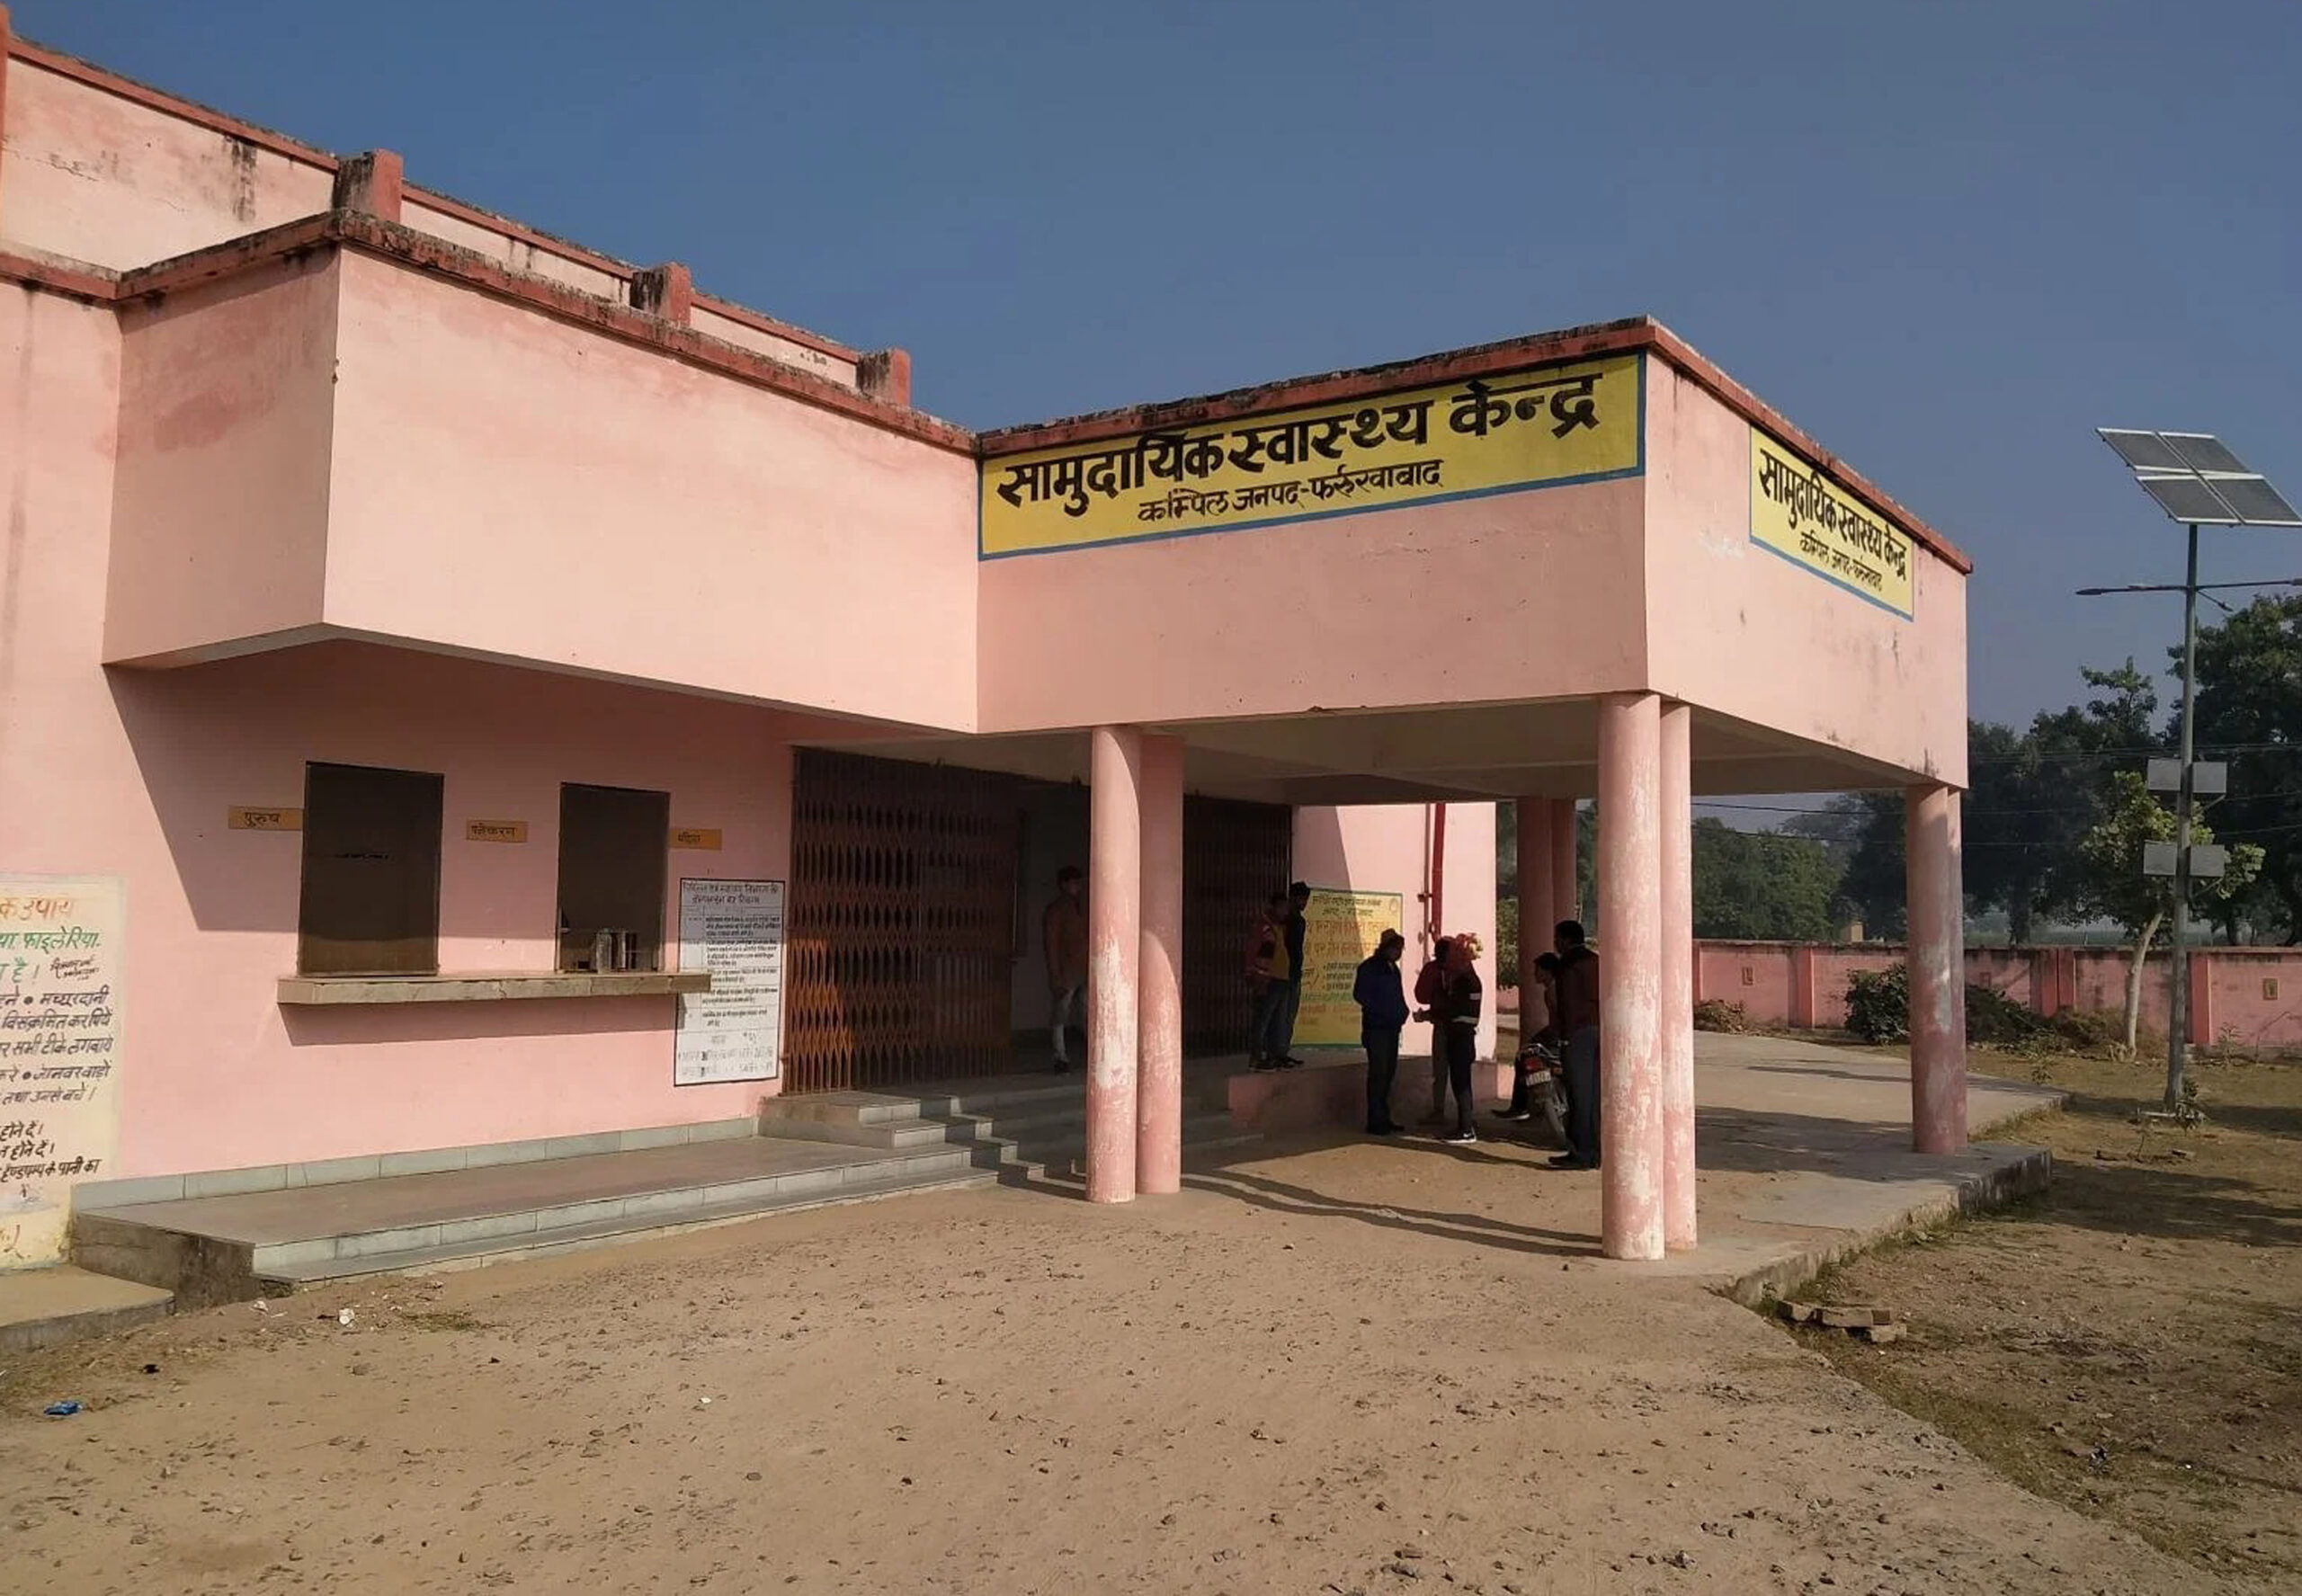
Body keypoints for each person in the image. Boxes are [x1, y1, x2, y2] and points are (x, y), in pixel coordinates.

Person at [1550, 920, 1602, 1168]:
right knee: (1592, 1095)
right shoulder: (1595, 961)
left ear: (1565, 939)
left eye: (1557, 938)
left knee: (1578, 1094)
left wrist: (1564, 1037)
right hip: (1597, 1029)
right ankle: (1592, 1149)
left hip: (1577, 1033)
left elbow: (1568, 1003)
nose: (1555, 943)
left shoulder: (1568, 964)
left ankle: (1582, 1151)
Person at [1352, 929, 1410, 1135]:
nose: (1398, 952)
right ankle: (1375, 1120)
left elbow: (1397, 995)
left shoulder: (1393, 969)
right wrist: (1382, 1011)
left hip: (1392, 1028)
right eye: (1395, 948)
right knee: (1378, 1074)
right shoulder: (1369, 968)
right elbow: (1360, 995)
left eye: (1400, 949)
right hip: (1376, 1029)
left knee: (1388, 1075)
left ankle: (1384, 1116)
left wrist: (1402, 1011)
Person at [1496, 951, 1564, 1124]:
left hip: (1557, 1035)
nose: (1534, 974)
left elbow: (1557, 1019)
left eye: (1538, 970)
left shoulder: (1554, 990)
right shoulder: (1555, 988)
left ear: (1547, 971)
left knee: (1523, 1056)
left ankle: (1520, 1106)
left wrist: (1549, 1036)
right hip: (1556, 1034)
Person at [1245, 894, 1299, 1072]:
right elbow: (1257, 954)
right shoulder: (1264, 927)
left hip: (1281, 979)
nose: (1285, 911)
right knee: (1263, 1020)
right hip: (1268, 980)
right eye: (1282, 907)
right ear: (1274, 907)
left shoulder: (1279, 927)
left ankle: (1273, 1056)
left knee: (1277, 1020)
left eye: (1286, 908)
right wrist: (1258, 978)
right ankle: (1256, 1058)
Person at [1042, 866, 1087, 1072]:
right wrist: (1055, 974)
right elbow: (1051, 944)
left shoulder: (1082, 907)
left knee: (1086, 1011)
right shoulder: (1057, 910)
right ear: (1064, 885)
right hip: (1067, 969)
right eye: (1074, 882)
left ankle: (1088, 1052)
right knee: (1062, 1012)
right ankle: (1060, 1055)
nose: (1078, 886)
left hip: (1083, 968)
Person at [1440, 936, 1483, 1143]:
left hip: (1461, 1036)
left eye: (1452, 955)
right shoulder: (1469, 979)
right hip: (1462, 1035)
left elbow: (1454, 1009)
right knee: (1461, 1082)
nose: (1448, 960)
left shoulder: (1464, 981)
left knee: (1461, 1083)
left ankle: (1466, 1129)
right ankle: (1465, 1124)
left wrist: (1431, 1015)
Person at [1411, 937, 1456, 1125]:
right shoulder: (1455, 969)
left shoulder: (1440, 969)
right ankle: (1455, 1113)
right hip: (1451, 1025)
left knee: (1443, 1071)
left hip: (1447, 1025)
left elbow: (1422, 995)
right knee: (1449, 1071)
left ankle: (1443, 1111)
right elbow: (1422, 995)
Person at [1270, 881, 1313, 1067]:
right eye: (1302, 899)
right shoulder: (1287, 921)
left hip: (1293, 972)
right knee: (1281, 1015)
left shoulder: (1297, 921)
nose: (1304, 903)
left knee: (1288, 1015)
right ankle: (1277, 1052)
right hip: (1284, 973)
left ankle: (1283, 1051)